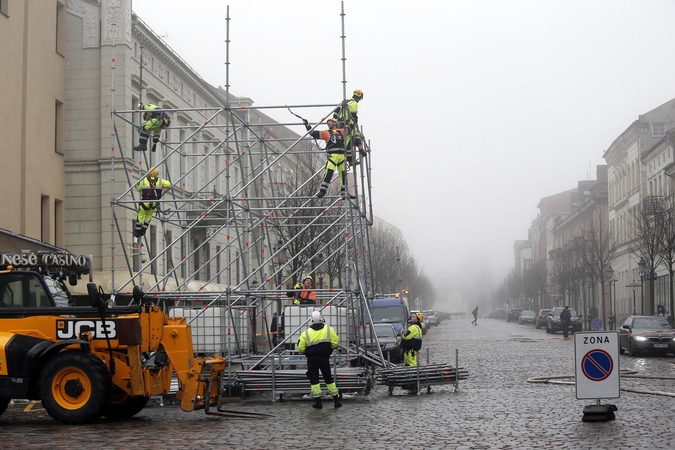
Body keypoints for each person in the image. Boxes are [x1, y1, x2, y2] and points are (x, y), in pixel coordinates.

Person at [304, 116, 363, 199]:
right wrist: (307, 126)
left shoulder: (341, 132)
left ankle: (344, 192)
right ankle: (322, 191)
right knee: (329, 172)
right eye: (328, 122)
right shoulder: (326, 133)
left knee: (343, 175)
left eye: (330, 122)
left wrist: (353, 121)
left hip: (341, 156)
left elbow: (350, 129)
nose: (329, 123)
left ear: (335, 123)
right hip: (333, 156)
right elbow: (313, 133)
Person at [297, 311, 342, 409]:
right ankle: (336, 400)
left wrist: (306, 351)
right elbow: (335, 343)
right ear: (321, 318)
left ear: (311, 320)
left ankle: (318, 402)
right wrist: (328, 349)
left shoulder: (306, 333)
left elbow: (300, 348)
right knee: (328, 378)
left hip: (312, 359)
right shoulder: (329, 330)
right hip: (324, 357)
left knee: (314, 380)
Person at [134, 167, 171, 243]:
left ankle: (137, 234)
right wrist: (161, 185)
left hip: (145, 203)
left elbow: (138, 188)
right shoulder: (160, 181)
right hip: (154, 204)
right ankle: (143, 231)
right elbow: (169, 184)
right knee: (148, 217)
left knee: (140, 216)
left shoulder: (144, 181)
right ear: (156, 174)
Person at [335, 89, 366, 165]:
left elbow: (335, 112)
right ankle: (351, 159)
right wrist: (353, 122)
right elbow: (353, 116)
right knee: (348, 142)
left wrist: (336, 121)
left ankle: (359, 146)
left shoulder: (346, 102)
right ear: (359, 97)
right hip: (347, 124)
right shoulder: (354, 103)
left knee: (356, 134)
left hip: (340, 123)